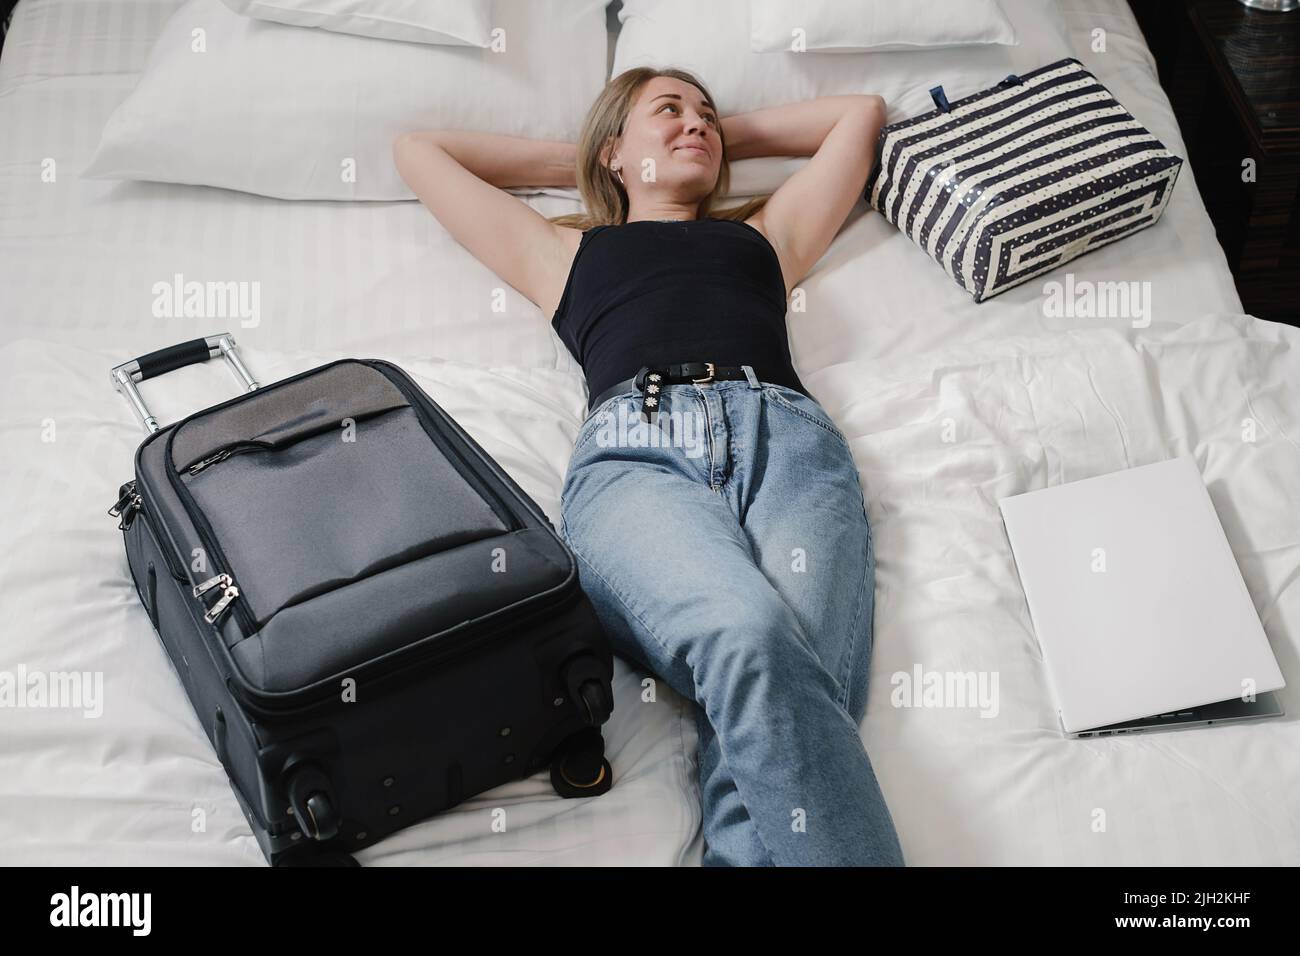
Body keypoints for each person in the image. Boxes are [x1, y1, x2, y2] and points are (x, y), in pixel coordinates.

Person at [393, 66, 902, 867]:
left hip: (790, 447)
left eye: (708, 114)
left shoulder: (766, 237)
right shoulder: (566, 251)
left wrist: (699, 140)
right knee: (749, 637)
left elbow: (860, 114)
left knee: (785, 694)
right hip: (639, 453)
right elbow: (419, 150)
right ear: (609, 154)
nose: (697, 122)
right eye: (670, 109)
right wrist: (613, 151)